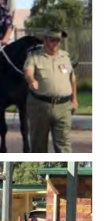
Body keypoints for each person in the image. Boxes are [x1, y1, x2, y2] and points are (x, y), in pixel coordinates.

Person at [24, 23, 77, 152]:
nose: (56, 44)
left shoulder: (65, 57)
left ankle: (65, 171)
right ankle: (39, 171)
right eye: (52, 40)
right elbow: (28, 71)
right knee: (38, 146)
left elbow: (72, 78)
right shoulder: (34, 56)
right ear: (45, 40)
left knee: (64, 146)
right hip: (40, 106)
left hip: (63, 107)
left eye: (58, 40)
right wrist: (31, 81)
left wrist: (74, 99)